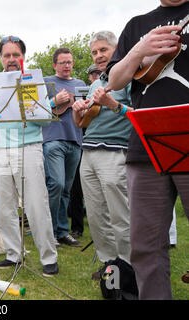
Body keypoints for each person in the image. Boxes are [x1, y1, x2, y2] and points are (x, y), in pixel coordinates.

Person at [107, 0, 189, 300]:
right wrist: (140, 50)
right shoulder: (136, 25)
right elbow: (115, 80)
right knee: (145, 246)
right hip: (146, 144)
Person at [0, 36, 58, 275]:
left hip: (28, 146)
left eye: (15, 55)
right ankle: (13, 254)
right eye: (6, 55)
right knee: (5, 206)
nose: (11, 59)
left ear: (23, 56)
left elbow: (45, 119)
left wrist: (29, 105)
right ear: (1, 58)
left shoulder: (34, 79)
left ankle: (48, 256)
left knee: (36, 204)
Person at [72, 31, 133, 278]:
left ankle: (129, 269)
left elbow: (138, 114)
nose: (98, 56)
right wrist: (77, 111)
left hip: (115, 152)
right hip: (88, 152)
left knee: (120, 216)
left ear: (116, 48)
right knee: (97, 217)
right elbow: (83, 123)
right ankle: (110, 266)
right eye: (94, 52)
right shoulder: (96, 83)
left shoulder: (131, 76)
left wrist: (113, 105)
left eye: (103, 50)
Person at [43, 47, 85, 248]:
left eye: (69, 62)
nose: (67, 65)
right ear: (54, 65)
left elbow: (87, 114)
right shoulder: (46, 82)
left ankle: (62, 232)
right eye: (62, 62)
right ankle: (48, 232)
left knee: (66, 189)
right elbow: (35, 109)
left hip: (75, 141)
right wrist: (54, 101)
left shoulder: (80, 84)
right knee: (56, 185)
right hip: (53, 140)